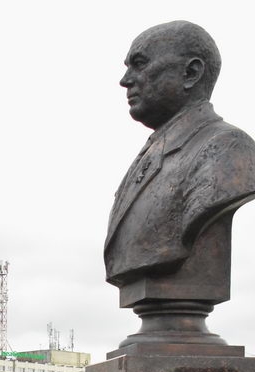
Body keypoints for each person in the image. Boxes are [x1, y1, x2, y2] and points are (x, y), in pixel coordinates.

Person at [105, 21, 255, 305]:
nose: (126, 80)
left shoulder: (228, 149)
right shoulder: (148, 154)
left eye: (139, 64)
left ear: (190, 73)